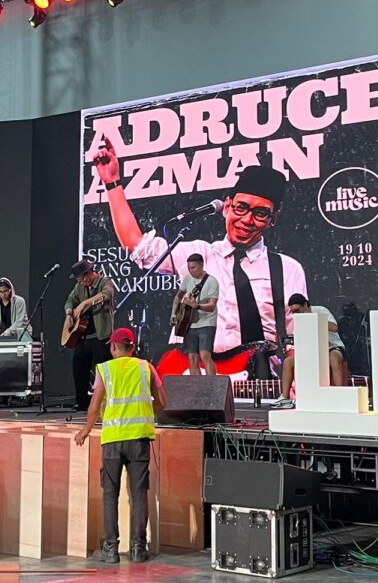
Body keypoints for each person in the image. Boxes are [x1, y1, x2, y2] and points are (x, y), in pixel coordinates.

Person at [92, 138, 307, 365]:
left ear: (273, 219)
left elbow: (298, 339)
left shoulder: (288, 269)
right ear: (226, 206)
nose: (247, 219)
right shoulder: (197, 254)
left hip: (257, 378)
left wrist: (297, 379)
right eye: (241, 207)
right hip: (194, 374)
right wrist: (112, 183)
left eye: (260, 213)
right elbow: (138, 246)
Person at [74, 327, 168, 564]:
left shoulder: (105, 369)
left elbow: (94, 405)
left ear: (114, 347)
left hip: (113, 440)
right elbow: (162, 402)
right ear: (133, 347)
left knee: (110, 495)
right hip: (139, 438)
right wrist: (147, 413)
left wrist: (86, 430)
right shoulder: (146, 367)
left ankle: (110, 548)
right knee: (139, 495)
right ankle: (138, 548)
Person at [271, 294, 348, 408]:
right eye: (293, 312)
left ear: (305, 305)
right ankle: (284, 398)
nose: (296, 314)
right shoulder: (299, 321)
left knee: (334, 358)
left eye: (298, 310)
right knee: (288, 362)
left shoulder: (320, 310)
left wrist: (313, 319)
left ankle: (339, 396)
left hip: (331, 347)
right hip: (312, 350)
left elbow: (334, 327)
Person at [65, 258, 117, 409]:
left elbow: (107, 294)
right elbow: (70, 300)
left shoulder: (105, 282)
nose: (81, 282)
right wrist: (69, 313)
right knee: (79, 369)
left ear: (89, 273)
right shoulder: (79, 287)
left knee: (103, 372)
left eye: (81, 279)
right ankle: (82, 403)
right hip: (83, 336)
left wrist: (85, 303)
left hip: (101, 336)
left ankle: (107, 403)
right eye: (78, 280)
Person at [174, 254, 220, 375]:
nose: (191, 270)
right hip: (189, 324)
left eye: (193, 267)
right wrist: (174, 313)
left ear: (201, 265)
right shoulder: (188, 279)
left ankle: (212, 384)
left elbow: (212, 306)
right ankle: (197, 385)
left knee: (205, 355)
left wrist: (197, 306)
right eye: (189, 268)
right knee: (192, 358)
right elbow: (178, 296)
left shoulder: (212, 281)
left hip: (207, 324)